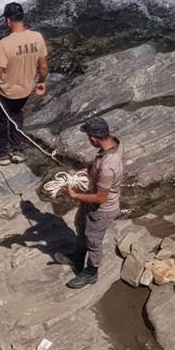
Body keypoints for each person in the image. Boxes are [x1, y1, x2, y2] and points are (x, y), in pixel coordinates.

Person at [0, 2, 49, 164]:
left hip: (5, 93)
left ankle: (2, 153)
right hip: (25, 90)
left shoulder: (5, 44)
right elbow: (44, 67)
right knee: (16, 116)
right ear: (22, 18)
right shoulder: (37, 37)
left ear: (8, 21)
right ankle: (17, 148)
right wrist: (41, 82)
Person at [53, 116, 124, 289]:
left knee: (93, 240)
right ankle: (76, 258)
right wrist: (88, 170)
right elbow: (99, 164)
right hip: (91, 202)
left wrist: (74, 195)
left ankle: (91, 272)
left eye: (88, 137)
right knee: (81, 225)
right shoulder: (114, 143)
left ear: (93, 139)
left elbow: (101, 198)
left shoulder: (108, 166)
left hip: (101, 209)